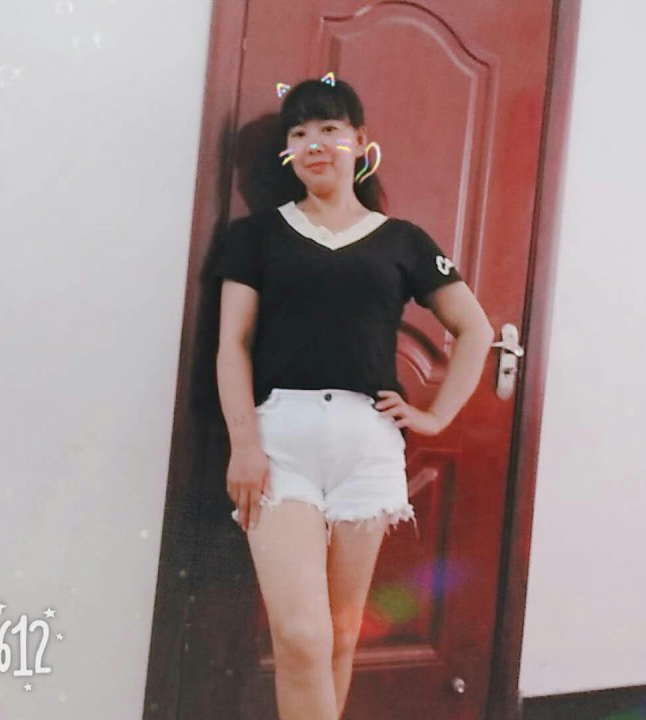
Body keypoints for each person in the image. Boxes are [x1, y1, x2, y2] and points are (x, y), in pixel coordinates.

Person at [213, 76, 494, 720]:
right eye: (299, 133)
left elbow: (475, 329)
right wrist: (244, 446)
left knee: (341, 636)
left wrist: (435, 415)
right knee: (303, 636)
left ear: (360, 142)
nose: (314, 144)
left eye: (329, 129)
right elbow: (233, 345)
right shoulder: (256, 236)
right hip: (280, 446)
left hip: (367, 451)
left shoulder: (404, 240)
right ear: (288, 151)